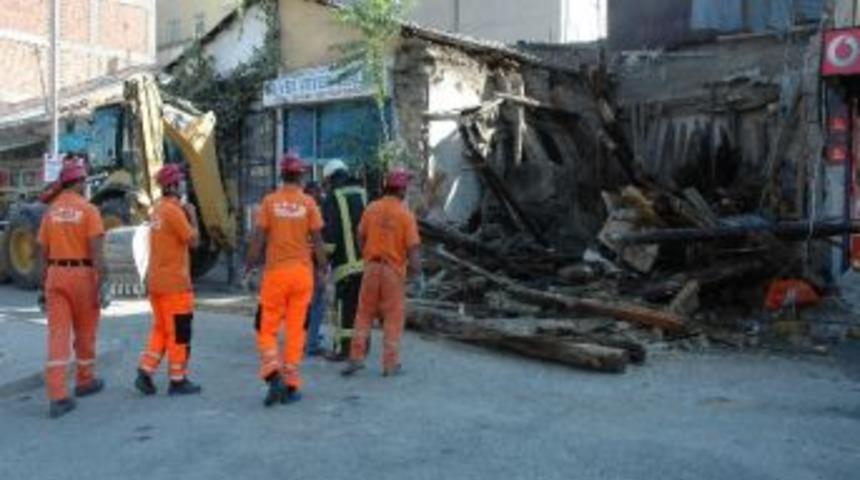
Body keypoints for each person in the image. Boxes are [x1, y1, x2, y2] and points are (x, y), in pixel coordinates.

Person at [246, 153, 327, 407]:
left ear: (281, 175)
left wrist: (249, 264)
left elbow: (258, 239)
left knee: (266, 327)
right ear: (301, 175)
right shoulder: (309, 203)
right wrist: (323, 268)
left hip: (276, 275)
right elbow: (318, 241)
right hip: (302, 276)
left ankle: (272, 373)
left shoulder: (269, 202)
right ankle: (291, 385)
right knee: (296, 330)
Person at [37, 157, 106, 418]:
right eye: (84, 181)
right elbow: (97, 252)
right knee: (86, 332)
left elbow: (42, 252)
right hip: (82, 276)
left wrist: (43, 285)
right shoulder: (89, 211)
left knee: (58, 336)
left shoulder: (51, 211)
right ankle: (85, 381)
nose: (86, 185)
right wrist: (104, 281)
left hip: (55, 275)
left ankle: (57, 396)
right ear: (78, 183)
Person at [342, 167, 421, 378]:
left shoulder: (372, 208)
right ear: (402, 189)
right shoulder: (405, 214)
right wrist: (418, 275)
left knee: (363, 314)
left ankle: (356, 358)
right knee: (393, 318)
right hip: (393, 272)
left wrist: (367, 256)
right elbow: (413, 249)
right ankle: (390, 364)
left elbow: (359, 236)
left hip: (371, 268)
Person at [134, 164, 203, 396]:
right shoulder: (174, 211)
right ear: (173, 185)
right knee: (179, 332)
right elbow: (193, 241)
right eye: (181, 181)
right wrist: (192, 216)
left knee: (161, 329)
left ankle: (145, 371)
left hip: (156, 282)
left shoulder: (157, 211)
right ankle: (177, 379)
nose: (184, 185)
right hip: (175, 284)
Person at [321, 160, 367, 361]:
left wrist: (323, 260)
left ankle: (343, 349)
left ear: (330, 178)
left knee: (345, 309)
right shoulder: (363, 193)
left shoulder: (333, 197)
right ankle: (363, 346)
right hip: (367, 262)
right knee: (362, 307)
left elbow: (330, 235)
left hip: (345, 265)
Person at [304, 181, 327, 356]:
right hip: (310, 264)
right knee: (317, 303)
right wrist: (322, 266)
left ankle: (308, 337)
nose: (320, 195)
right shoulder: (313, 211)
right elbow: (318, 241)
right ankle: (311, 343)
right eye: (318, 192)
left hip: (297, 264)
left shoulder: (296, 209)